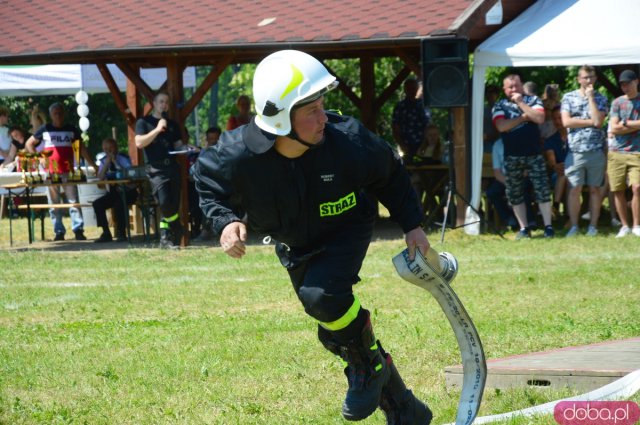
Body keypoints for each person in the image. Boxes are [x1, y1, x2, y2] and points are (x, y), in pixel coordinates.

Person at [193, 49, 433, 424]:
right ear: (281, 119)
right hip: (294, 243)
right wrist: (224, 221)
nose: (324, 118)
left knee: (323, 298)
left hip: (346, 228)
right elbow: (206, 181)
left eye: (323, 106)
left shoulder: (349, 140)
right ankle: (404, 409)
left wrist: (412, 225)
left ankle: (370, 369)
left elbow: (391, 174)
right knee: (336, 331)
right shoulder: (238, 154)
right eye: (312, 111)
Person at [492, 74, 554, 239]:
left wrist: (521, 103)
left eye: (517, 86)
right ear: (504, 90)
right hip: (512, 156)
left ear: (521, 86)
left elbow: (539, 118)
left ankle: (548, 227)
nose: (514, 89)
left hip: (534, 154)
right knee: (515, 193)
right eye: (510, 87)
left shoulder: (533, 100)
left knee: (542, 190)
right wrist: (523, 118)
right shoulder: (500, 105)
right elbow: (501, 126)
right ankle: (524, 229)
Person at [25, 102, 97, 241]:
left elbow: (81, 148)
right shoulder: (45, 128)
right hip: (51, 172)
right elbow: (29, 143)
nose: (58, 115)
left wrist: (93, 164)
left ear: (64, 114)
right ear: (51, 115)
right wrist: (38, 158)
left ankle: (78, 230)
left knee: (73, 201)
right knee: (54, 203)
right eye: (55, 113)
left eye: (60, 112)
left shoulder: (72, 129)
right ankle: (59, 232)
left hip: (69, 171)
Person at [560, 65, 608, 237]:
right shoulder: (568, 97)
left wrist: (590, 98)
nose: (588, 80)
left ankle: (592, 227)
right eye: (585, 77)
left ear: (595, 79)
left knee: (595, 190)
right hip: (575, 152)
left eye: (591, 77)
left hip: (596, 151)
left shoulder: (601, 98)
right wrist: (589, 121)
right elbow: (566, 122)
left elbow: (598, 122)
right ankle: (574, 226)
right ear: (578, 79)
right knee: (574, 189)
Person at [134, 91, 185, 249]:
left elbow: (178, 146)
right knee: (163, 203)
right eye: (161, 101)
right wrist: (157, 130)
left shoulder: (173, 125)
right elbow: (139, 143)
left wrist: (189, 148)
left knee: (172, 205)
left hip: (173, 167)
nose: (164, 105)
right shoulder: (144, 122)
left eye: (167, 102)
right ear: (154, 104)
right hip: (156, 169)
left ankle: (166, 238)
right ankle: (177, 227)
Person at [608, 69, 640, 238]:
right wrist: (634, 125)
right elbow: (614, 128)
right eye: (622, 84)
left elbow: (620, 126)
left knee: (637, 187)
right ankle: (625, 226)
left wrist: (625, 123)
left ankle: (636, 225)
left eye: (627, 83)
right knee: (617, 189)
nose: (625, 87)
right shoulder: (617, 102)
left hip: (638, 151)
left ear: (637, 81)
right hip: (617, 152)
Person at [92, 138, 138, 243]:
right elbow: (100, 178)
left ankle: (122, 232)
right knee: (97, 204)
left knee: (119, 204)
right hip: (114, 192)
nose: (108, 151)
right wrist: (107, 162)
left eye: (110, 148)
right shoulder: (103, 160)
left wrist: (115, 162)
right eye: (105, 149)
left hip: (128, 192)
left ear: (115, 147)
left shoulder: (123, 158)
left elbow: (129, 175)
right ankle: (106, 233)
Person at [485, 138, 536, 231]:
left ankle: (530, 220)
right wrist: (509, 183)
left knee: (523, 189)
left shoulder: (522, 142)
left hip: (521, 177)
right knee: (492, 192)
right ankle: (509, 219)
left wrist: (515, 182)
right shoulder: (497, 145)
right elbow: (497, 172)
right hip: (504, 178)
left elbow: (527, 169)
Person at [543, 106, 568, 221]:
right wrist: (555, 165)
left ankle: (556, 206)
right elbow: (551, 159)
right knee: (563, 174)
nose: (557, 121)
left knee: (566, 175)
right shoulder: (551, 140)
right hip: (558, 174)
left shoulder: (575, 137)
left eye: (560, 118)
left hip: (577, 171)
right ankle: (567, 215)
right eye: (554, 119)